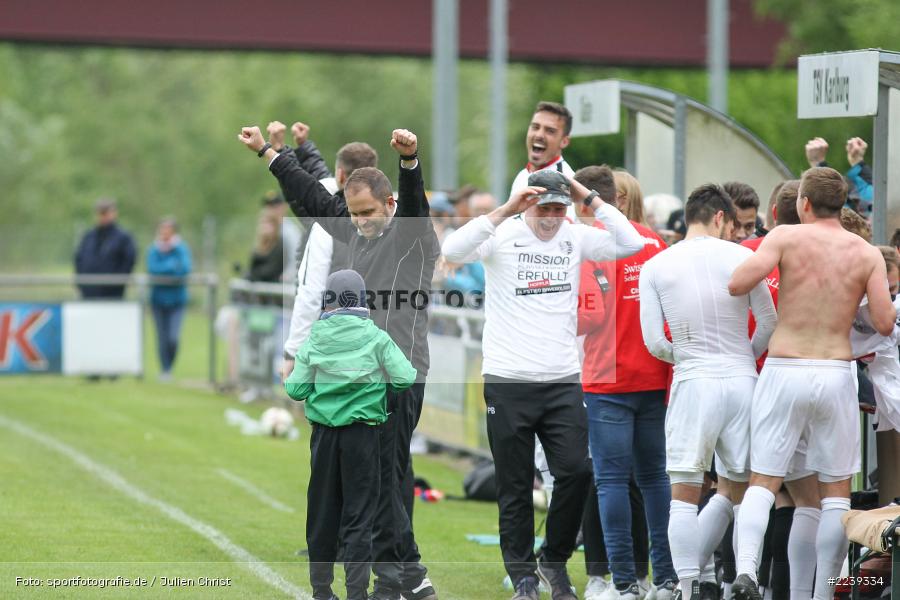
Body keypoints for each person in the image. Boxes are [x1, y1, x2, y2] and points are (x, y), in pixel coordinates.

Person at [239, 125, 439, 600]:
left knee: (386, 481)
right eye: (353, 214)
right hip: (362, 378)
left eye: (368, 212)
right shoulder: (354, 229)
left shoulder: (409, 238)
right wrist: (270, 152)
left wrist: (409, 162)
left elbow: (415, 206)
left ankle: (398, 580)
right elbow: (312, 197)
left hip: (399, 375)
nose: (359, 221)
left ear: (389, 205)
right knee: (379, 480)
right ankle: (407, 575)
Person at [442, 169, 644, 600]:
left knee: (576, 472)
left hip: (561, 381)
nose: (552, 218)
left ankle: (553, 559)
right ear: (528, 203)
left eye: (558, 209)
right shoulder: (503, 234)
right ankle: (524, 578)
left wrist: (585, 196)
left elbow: (631, 243)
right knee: (515, 487)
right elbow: (451, 249)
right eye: (545, 208)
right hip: (508, 381)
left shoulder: (575, 236)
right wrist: (505, 209)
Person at [728, 167, 897, 600]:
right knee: (835, 490)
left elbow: (738, 283)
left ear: (803, 202)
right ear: (840, 205)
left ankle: (746, 571)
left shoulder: (785, 237)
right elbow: (883, 322)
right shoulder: (865, 253)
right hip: (835, 370)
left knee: (764, 480)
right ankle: (823, 593)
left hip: (785, 365)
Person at [638, 184, 777, 600]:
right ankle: (746, 573)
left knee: (684, 493)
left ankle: (686, 587)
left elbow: (653, 341)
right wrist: (744, 355)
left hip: (693, 379)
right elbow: (769, 321)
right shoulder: (741, 257)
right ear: (719, 217)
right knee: (745, 489)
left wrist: (684, 356)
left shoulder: (656, 265)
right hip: (741, 378)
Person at [285, 269, 417, 600]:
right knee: (360, 517)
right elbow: (405, 377)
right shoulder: (376, 337)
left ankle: (321, 591)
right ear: (362, 301)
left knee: (322, 514)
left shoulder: (316, 337)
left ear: (328, 302)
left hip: (325, 438)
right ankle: (357, 593)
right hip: (363, 437)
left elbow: (296, 389)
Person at [575, 165, 675, 600]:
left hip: (607, 379)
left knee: (612, 482)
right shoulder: (655, 243)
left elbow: (589, 314)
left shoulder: (591, 245)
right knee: (654, 479)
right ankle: (665, 579)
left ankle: (624, 584)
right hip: (654, 374)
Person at [267, 121, 379, 383]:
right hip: (373, 334)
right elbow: (311, 181)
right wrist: (301, 148)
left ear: (340, 174)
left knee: (329, 403)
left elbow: (312, 291)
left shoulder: (328, 222)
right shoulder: (387, 214)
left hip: (331, 332)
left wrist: (292, 351)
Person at [146, 217, 192, 381]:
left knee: (173, 337)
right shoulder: (154, 250)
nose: (165, 233)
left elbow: (184, 268)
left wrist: (166, 269)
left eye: (168, 229)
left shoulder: (181, 249)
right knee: (162, 337)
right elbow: (153, 269)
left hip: (177, 301)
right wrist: (172, 266)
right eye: (162, 229)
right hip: (158, 300)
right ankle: (165, 369)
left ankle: (169, 366)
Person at [510, 101, 576, 215]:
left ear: (564, 141)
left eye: (550, 131)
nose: (539, 135)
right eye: (535, 127)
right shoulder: (522, 175)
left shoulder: (566, 181)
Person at [74, 198, 137, 299]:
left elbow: (128, 261)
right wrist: (81, 283)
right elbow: (79, 259)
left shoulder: (124, 238)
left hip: (113, 294)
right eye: (101, 213)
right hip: (88, 292)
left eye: (106, 213)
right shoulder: (89, 236)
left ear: (114, 213)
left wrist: (117, 283)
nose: (103, 216)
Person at [804, 136, 874, 213]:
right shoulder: (879, 197)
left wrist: (818, 165)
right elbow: (869, 196)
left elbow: (838, 209)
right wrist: (858, 162)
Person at [246, 210, 284, 284]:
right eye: (263, 223)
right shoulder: (258, 245)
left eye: (268, 223)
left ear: (275, 226)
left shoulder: (279, 244)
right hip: (257, 286)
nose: (264, 227)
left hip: (273, 286)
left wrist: (253, 274)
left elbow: (271, 271)